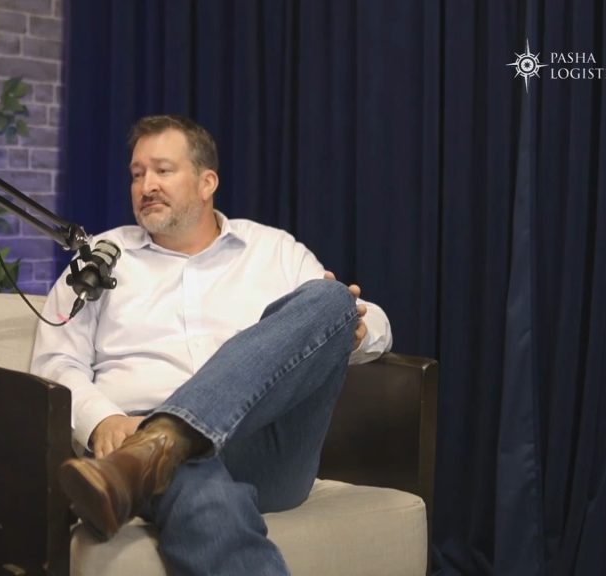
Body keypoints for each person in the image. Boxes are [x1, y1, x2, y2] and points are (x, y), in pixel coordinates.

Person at [31, 115, 392, 575]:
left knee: (330, 296)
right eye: (137, 174)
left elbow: (373, 322)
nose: (146, 186)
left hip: (265, 448)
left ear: (207, 182)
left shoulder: (273, 249)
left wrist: (355, 329)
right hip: (133, 433)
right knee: (184, 469)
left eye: (163, 170)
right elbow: (55, 360)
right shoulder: (99, 259)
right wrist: (103, 419)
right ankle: (162, 450)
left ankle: (158, 444)